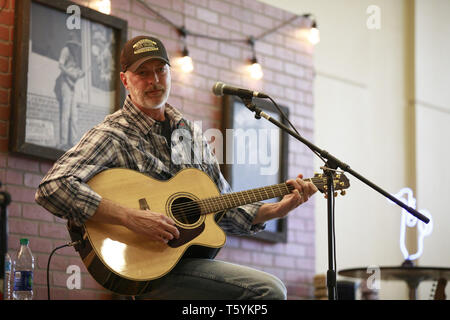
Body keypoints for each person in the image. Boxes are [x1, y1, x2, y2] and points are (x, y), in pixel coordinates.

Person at [36, 35, 318, 300]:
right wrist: (129, 217)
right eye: (142, 73)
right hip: (143, 267)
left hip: (183, 263)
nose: (154, 80)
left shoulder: (189, 135)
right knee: (267, 290)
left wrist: (278, 208)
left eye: (160, 70)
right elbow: (52, 187)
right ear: (125, 80)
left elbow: (222, 206)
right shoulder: (113, 134)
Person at [54, 31, 85, 150]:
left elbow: (76, 70)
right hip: (65, 84)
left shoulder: (75, 55)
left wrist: (80, 73)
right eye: (74, 44)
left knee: (74, 114)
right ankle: (63, 142)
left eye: (76, 45)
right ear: (71, 43)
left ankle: (73, 142)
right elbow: (61, 65)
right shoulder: (66, 50)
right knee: (65, 114)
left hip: (73, 85)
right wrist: (70, 75)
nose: (75, 47)